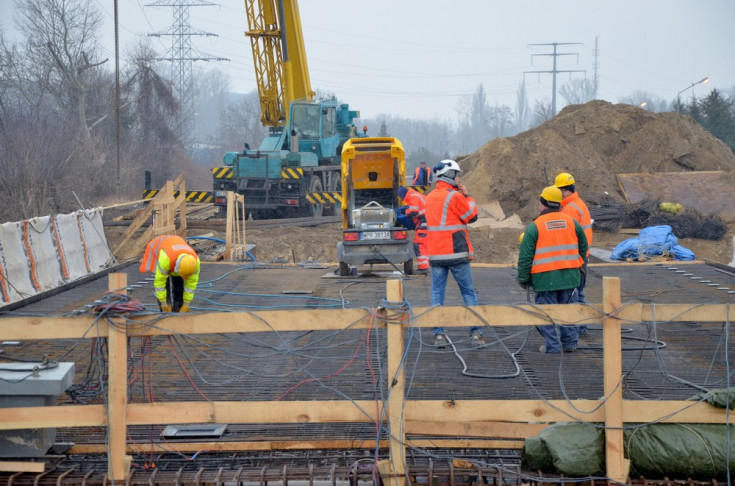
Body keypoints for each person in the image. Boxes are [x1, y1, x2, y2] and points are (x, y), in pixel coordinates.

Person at [517, 186, 588, 354]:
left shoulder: (535, 226)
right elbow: (583, 247)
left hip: (544, 279)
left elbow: (525, 257)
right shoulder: (572, 222)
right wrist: (577, 266)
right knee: (567, 311)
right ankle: (570, 343)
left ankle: (553, 346)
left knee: (546, 313)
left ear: (543, 204)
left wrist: (523, 278)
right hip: (569, 278)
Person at [424, 159, 483, 347]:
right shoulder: (455, 197)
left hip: (435, 254)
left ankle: (438, 334)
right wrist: (469, 196)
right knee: (468, 293)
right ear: (450, 175)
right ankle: (476, 334)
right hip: (456, 253)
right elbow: (471, 216)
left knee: (436, 294)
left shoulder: (429, 197)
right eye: (457, 175)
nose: (459, 179)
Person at [554, 172, 593, 336]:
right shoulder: (578, 203)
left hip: (575, 257)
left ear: (565, 190)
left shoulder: (570, 210)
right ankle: (581, 327)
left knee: (574, 293)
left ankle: (578, 327)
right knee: (579, 291)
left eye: (559, 190)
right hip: (582, 255)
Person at [139, 235, 200, 313]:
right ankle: (165, 310)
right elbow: (160, 282)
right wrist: (163, 303)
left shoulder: (195, 263)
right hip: (157, 247)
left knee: (178, 284)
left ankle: (177, 310)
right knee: (165, 282)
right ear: (178, 267)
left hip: (175, 249)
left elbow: (191, 284)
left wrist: (186, 304)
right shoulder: (165, 259)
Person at [397, 185, 429, 273]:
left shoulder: (413, 197)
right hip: (427, 223)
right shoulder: (416, 195)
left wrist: (405, 212)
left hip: (424, 224)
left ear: (403, 195)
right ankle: (425, 266)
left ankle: (423, 267)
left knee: (419, 245)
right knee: (424, 245)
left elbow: (413, 211)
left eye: (401, 197)